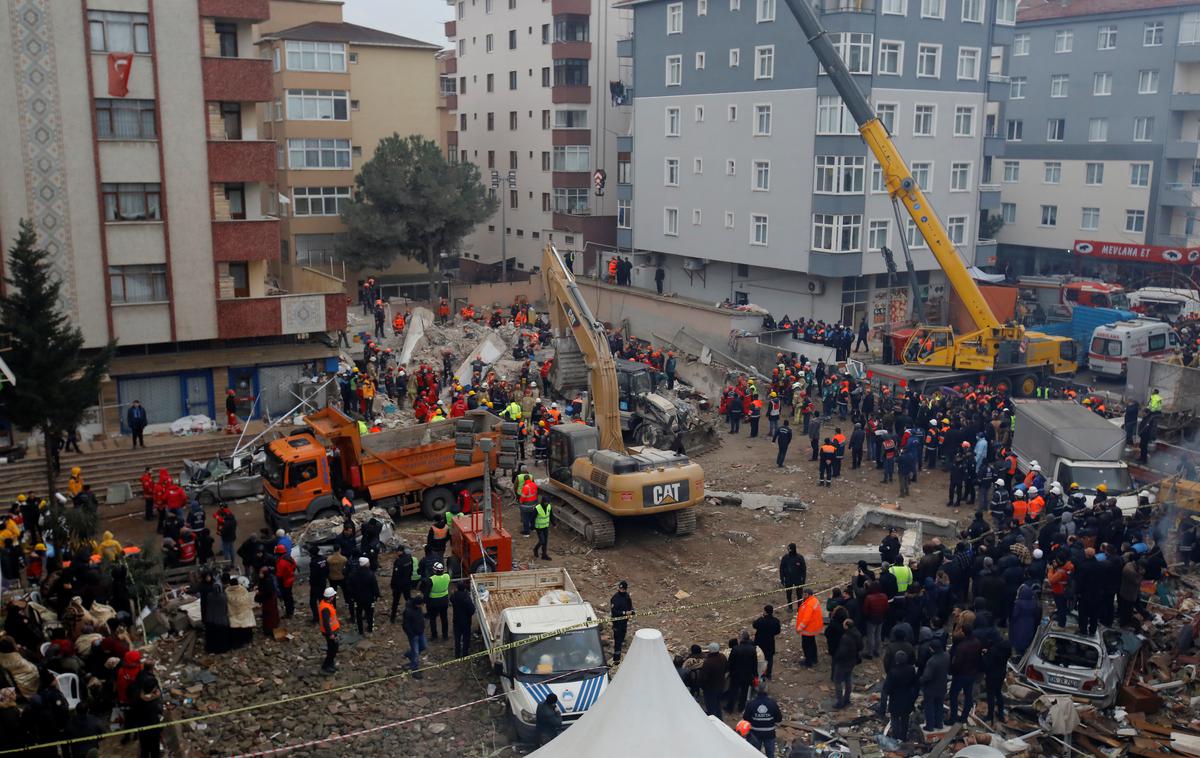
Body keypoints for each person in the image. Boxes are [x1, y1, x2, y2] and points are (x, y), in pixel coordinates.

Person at [883, 650, 918, 742]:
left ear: (896, 660)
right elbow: (914, 683)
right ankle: (903, 737)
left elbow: (887, 688)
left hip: (895, 699)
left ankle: (895, 737)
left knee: (894, 718)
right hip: (907, 697)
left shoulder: (893, 672)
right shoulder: (911, 669)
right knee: (905, 718)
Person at [742, 682, 783, 757]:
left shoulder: (751, 703)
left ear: (757, 690)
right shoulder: (772, 703)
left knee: (754, 755)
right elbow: (779, 719)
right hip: (769, 733)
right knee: (770, 755)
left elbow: (745, 718)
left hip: (755, 733)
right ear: (766, 690)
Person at [725, 630, 759, 714]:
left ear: (741, 639)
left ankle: (730, 708)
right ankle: (741, 708)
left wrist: (729, 671)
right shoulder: (752, 649)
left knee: (733, 691)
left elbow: (730, 662)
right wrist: (755, 675)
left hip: (736, 674)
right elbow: (754, 663)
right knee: (744, 692)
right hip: (747, 674)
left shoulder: (735, 649)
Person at [920, 637, 950, 731]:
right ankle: (939, 724)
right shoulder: (946, 656)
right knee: (939, 706)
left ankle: (930, 726)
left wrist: (920, 680)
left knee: (929, 707)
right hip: (942, 685)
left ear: (932, 649)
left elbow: (927, 676)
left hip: (931, 688)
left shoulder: (932, 661)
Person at [832, 618, 862, 709]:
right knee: (848, 679)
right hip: (852, 661)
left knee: (837, 681)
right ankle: (847, 699)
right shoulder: (857, 634)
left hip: (843, 662)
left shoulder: (846, 637)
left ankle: (839, 702)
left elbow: (842, 652)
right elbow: (861, 646)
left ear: (847, 626)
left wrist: (836, 658)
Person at [348, 556, 379, 635]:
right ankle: (370, 628)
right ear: (366, 564)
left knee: (358, 614)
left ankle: (360, 630)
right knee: (370, 613)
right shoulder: (370, 574)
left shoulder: (353, 574)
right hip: (369, 598)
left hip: (357, 598)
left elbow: (350, 587)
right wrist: (376, 595)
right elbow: (374, 586)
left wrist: (352, 596)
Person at [794, 588, 824, 667]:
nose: (803, 596)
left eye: (805, 594)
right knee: (812, 644)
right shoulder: (814, 600)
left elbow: (806, 619)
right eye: (803, 594)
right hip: (813, 627)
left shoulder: (809, 604)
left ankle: (808, 662)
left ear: (809, 595)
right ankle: (814, 658)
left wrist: (800, 628)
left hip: (808, 629)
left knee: (806, 646)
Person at [424, 561, 451, 641]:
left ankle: (434, 636)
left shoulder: (431, 580)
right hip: (444, 600)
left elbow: (427, 592)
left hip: (433, 602)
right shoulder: (447, 576)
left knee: (432, 619)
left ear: (434, 570)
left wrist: (425, 601)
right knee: (444, 618)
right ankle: (445, 635)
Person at [698, 642, 728, 717]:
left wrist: (701, 686)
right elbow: (727, 668)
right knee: (717, 704)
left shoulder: (708, 662)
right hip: (721, 685)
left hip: (710, 688)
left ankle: (713, 721)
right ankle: (720, 719)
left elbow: (703, 677)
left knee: (710, 706)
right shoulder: (723, 657)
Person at [752, 605, 782, 680]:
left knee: (759, 658)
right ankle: (768, 674)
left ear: (765, 612)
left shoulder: (761, 620)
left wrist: (761, 617)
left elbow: (754, 625)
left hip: (760, 642)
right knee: (769, 659)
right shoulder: (775, 621)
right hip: (770, 642)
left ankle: (760, 673)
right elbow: (778, 631)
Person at [390, 546, 417, 622]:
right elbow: (411, 570)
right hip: (407, 583)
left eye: (397, 551)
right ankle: (412, 615)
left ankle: (393, 618)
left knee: (395, 601)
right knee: (408, 599)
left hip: (399, 584)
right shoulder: (409, 559)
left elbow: (395, 575)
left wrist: (392, 584)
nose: (396, 553)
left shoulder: (398, 561)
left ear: (400, 551)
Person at [402, 596, 428, 677]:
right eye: (421, 605)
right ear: (417, 604)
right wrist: (412, 634)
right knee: (416, 653)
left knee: (423, 646)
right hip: (413, 635)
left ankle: (410, 654)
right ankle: (415, 670)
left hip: (420, 632)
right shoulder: (408, 611)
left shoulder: (418, 609)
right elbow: (405, 626)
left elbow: (420, 618)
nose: (422, 606)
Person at [610, 580, 634, 663]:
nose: (621, 590)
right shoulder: (615, 598)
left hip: (624, 622)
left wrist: (632, 611)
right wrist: (624, 613)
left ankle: (619, 653)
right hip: (617, 623)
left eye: (623, 589)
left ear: (625, 589)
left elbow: (630, 606)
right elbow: (614, 612)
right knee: (618, 641)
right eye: (620, 589)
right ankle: (616, 659)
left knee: (622, 637)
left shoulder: (627, 596)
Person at [318, 586, 340, 674]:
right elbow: (326, 623)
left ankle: (330, 664)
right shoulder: (325, 608)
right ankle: (326, 666)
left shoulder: (325, 604)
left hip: (332, 631)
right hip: (330, 632)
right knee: (332, 649)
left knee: (333, 648)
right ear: (330, 597)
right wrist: (330, 634)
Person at [274, 545, 296, 619]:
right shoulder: (289, 558)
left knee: (286, 598)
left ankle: (289, 613)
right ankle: (291, 610)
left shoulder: (281, 562)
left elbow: (279, 575)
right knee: (289, 596)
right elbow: (294, 566)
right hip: (290, 579)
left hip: (285, 582)